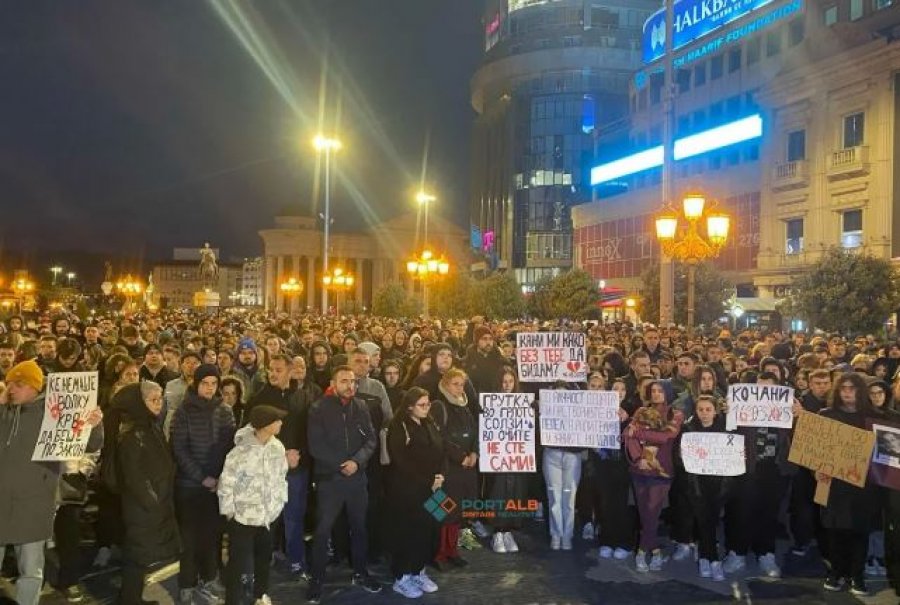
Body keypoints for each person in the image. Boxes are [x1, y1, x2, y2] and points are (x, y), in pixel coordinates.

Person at [0, 360, 103, 605]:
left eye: (20, 383)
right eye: (10, 382)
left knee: (32, 570)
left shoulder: (56, 414)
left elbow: (91, 445)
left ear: (36, 387)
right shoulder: (3, 411)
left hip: (34, 502)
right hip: (1, 500)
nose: (12, 388)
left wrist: (94, 425)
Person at [306, 365, 381, 603]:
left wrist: (356, 463)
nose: (350, 386)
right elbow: (316, 446)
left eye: (353, 381)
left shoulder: (361, 406)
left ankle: (360, 572)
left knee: (360, 528)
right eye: (344, 381)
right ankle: (317, 580)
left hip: (357, 479)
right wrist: (342, 464)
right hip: (331, 480)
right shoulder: (318, 408)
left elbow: (371, 439)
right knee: (322, 531)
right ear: (333, 383)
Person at [171, 364, 236, 604]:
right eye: (204, 383)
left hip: (217, 485)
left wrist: (221, 478)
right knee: (188, 539)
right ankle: (186, 583)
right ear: (196, 384)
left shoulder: (225, 411)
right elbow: (180, 449)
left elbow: (230, 447)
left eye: (213, 384)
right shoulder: (183, 411)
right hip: (189, 486)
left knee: (211, 537)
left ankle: (209, 577)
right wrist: (202, 477)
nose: (209, 388)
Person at [245, 354, 313, 579]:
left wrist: (299, 454)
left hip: (296, 470)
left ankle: (295, 560)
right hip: (266, 470)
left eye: (278, 370)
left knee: (294, 517)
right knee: (266, 518)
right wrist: (280, 455)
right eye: (270, 370)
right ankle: (264, 560)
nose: (273, 374)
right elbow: (249, 435)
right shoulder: (258, 398)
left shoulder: (302, 396)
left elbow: (308, 430)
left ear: (291, 371)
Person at [115, 382, 180, 605]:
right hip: (142, 507)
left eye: (160, 398)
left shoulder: (148, 426)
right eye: (153, 400)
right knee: (137, 555)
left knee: (140, 556)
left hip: (154, 502)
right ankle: (128, 600)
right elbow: (135, 477)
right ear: (138, 403)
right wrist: (153, 502)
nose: (159, 404)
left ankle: (132, 597)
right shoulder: (132, 433)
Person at [218, 405, 291, 605]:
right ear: (265, 425)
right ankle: (232, 600)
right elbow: (227, 482)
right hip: (243, 517)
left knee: (263, 560)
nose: (281, 423)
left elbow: (281, 477)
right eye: (277, 420)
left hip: (268, 517)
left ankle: (260, 595)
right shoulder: (240, 452)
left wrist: (278, 503)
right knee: (237, 563)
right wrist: (229, 512)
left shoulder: (278, 447)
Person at [821, 372, 878, 596]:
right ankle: (836, 572)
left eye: (851, 388)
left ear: (860, 391)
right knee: (835, 530)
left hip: (864, 484)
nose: (847, 392)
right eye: (843, 388)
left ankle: (857, 575)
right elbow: (814, 447)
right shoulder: (826, 414)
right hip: (833, 483)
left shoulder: (873, 417)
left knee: (859, 530)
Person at [386, 387, 443, 599]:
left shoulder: (430, 422)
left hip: (435, 489)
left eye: (428, 404)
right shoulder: (399, 426)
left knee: (429, 531)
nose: (427, 408)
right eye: (422, 405)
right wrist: (429, 480)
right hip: (408, 490)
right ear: (410, 406)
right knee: (408, 533)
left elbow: (441, 449)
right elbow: (401, 462)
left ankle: (419, 570)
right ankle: (402, 577)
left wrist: (440, 476)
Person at [624, 380, 684, 572]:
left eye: (660, 390)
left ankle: (642, 551)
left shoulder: (676, 414)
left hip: (662, 471)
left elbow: (666, 436)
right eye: (653, 391)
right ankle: (656, 550)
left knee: (652, 511)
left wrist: (639, 432)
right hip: (639, 469)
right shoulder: (641, 411)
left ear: (667, 392)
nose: (656, 394)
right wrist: (637, 458)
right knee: (645, 514)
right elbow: (627, 435)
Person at [430, 368, 479, 567]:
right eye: (455, 384)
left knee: (457, 512)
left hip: (466, 469)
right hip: (447, 468)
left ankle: (452, 551)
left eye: (462, 384)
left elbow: (475, 431)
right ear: (445, 384)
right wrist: (461, 457)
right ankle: (438, 554)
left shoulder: (465, 406)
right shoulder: (438, 406)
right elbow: (439, 438)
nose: (459, 388)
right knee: (442, 512)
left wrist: (474, 453)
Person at [681, 395, 729, 581]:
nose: (704, 413)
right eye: (700, 409)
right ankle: (710, 559)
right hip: (696, 484)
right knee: (703, 520)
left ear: (715, 411)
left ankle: (708, 556)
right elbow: (680, 457)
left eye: (708, 409)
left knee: (712, 520)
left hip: (719, 484)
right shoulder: (688, 428)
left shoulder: (726, 429)